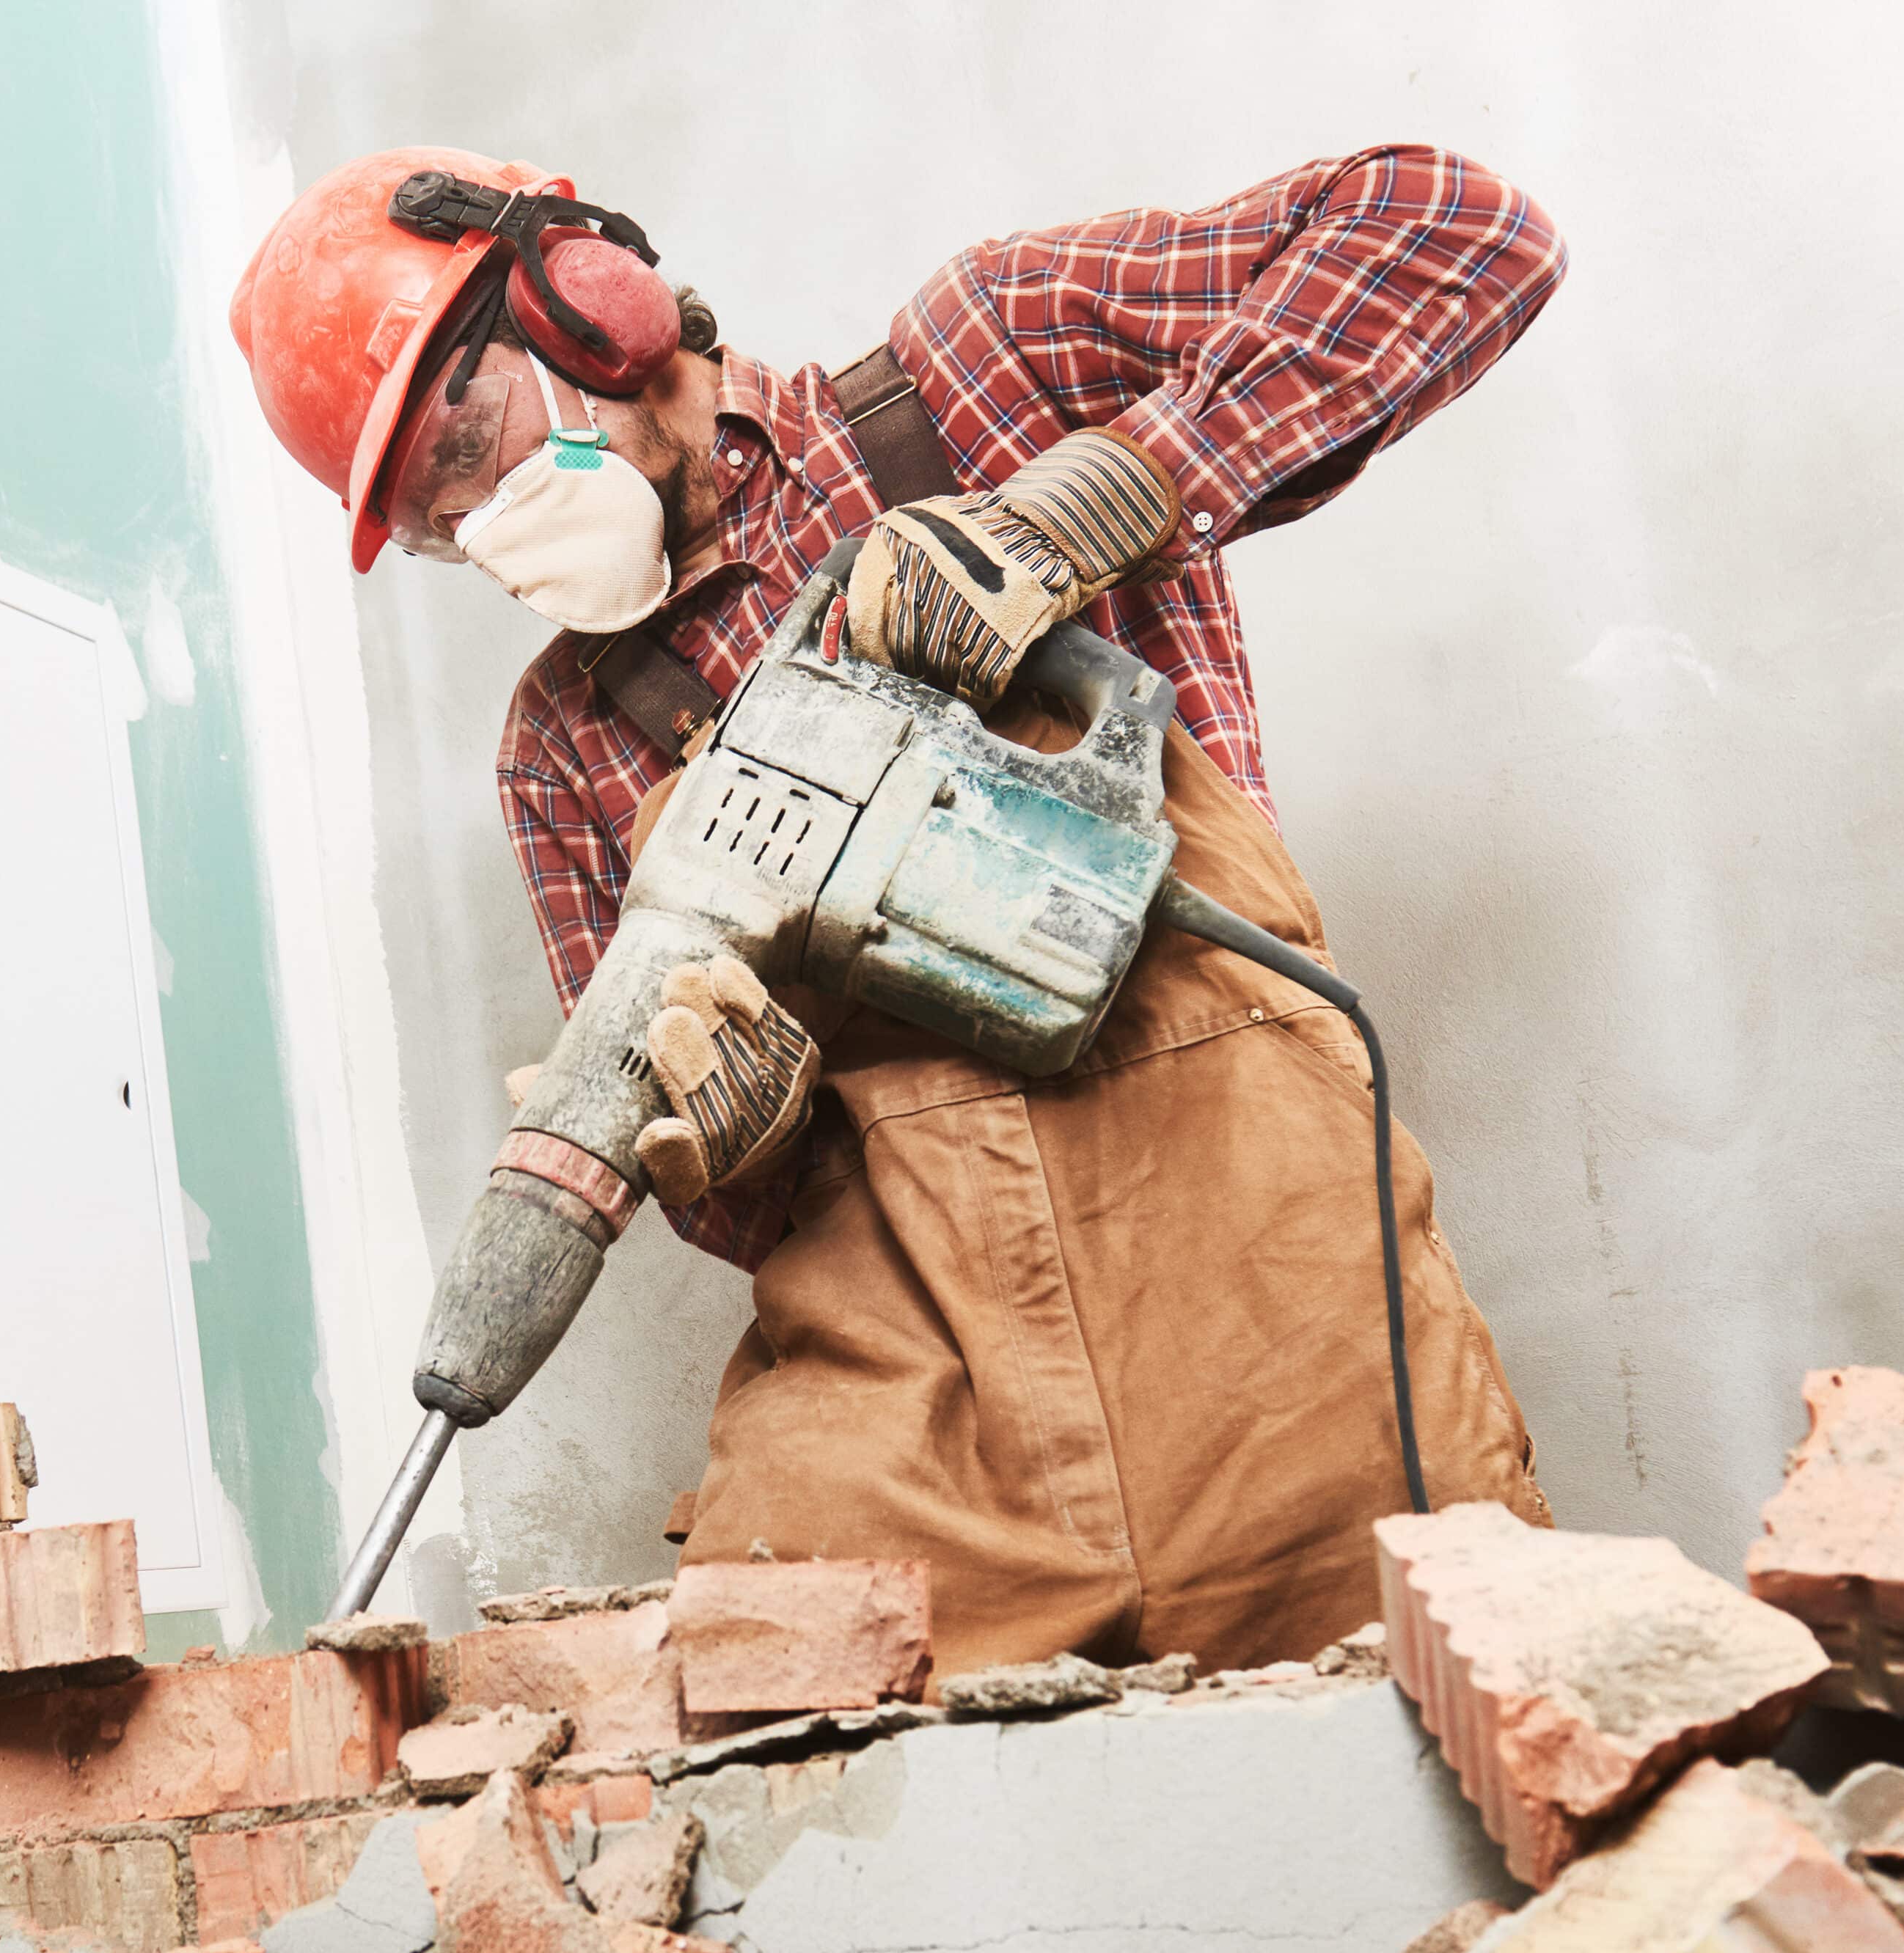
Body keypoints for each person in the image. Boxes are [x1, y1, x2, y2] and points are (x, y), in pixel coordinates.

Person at [231, 144, 1564, 1673]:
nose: (480, 530)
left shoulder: (978, 373)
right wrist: (736, 1131)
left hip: (1271, 1310)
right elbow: (730, 1203)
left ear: (587, 307)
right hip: (917, 1391)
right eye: (427, 522)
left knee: (1442, 1751)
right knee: (799, 1780)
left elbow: (1463, 237)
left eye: (461, 449)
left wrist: (1091, 503)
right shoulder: (567, 740)